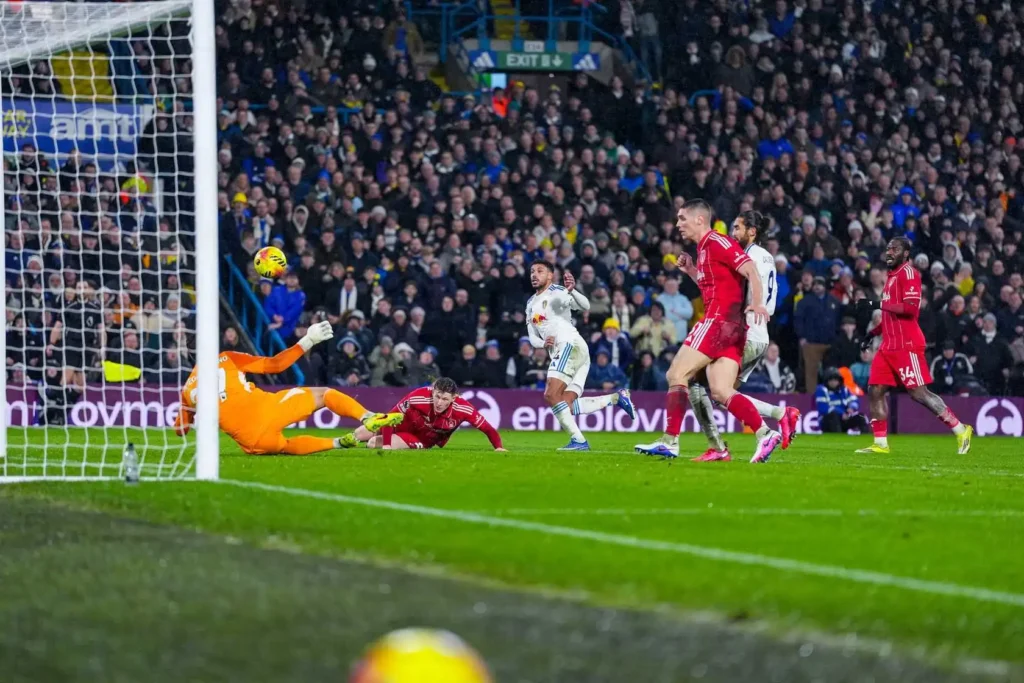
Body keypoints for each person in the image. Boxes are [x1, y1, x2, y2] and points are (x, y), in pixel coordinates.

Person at [635, 200, 782, 463]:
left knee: (676, 374)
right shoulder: (704, 249)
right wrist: (692, 270)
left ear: (700, 219)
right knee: (721, 391)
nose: (678, 224)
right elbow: (714, 287)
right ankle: (765, 433)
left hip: (718, 322)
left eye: (682, 218)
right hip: (733, 329)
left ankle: (670, 441)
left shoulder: (717, 242)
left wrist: (758, 302)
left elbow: (750, 269)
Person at [173, 321, 402, 455]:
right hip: (267, 409)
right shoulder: (227, 358)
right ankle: (367, 416)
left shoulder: (187, 390)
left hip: (252, 441)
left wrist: (193, 412)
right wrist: (308, 340)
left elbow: (180, 430)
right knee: (325, 394)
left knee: (284, 446)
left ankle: (338, 443)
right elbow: (275, 365)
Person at [686, 210, 801, 462]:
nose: (732, 233)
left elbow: (722, 291)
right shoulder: (766, 257)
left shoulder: (744, 257)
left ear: (752, 231)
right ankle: (781, 415)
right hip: (760, 334)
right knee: (724, 393)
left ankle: (753, 437)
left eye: (737, 228)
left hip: (742, 330)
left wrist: (695, 273)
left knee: (699, 384)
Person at [856, 238, 973, 454]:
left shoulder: (909, 274)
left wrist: (875, 303)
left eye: (895, 249)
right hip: (888, 345)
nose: (890, 252)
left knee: (918, 393)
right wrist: (872, 333)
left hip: (906, 344)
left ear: (906, 253)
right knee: (875, 389)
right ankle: (880, 444)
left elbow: (910, 309)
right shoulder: (891, 277)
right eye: (888, 248)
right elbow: (890, 315)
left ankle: (960, 429)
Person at [525, 261, 635, 451]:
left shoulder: (557, 291)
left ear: (550, 275)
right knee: (565, 404)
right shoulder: (530, 304)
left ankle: (578, 441)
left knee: (551, 394)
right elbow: (532, 336)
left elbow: (585, 306)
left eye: (540, 271)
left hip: (569, 345)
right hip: (575, 352)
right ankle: (617, 398)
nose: (534, 274)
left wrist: (572, 290)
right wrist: (543, 343)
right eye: (532, 271)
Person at [341, 377, 506, 452]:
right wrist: (387, 446)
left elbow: (487, 429)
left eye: (445, 399)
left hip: (419, 438)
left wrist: (499, 447)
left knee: (372, 443)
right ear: (432, 391)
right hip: (400, 423)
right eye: (437, 396)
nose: (439, 402)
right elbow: (390, 417)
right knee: (358, 434)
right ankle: (337, 444)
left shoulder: (464, 408)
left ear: (454, 398)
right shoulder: (418, 396)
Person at [815, 367, 866, 434]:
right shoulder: (821, 389)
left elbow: (854, 400)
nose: (833, 382)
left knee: (861, 417)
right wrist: (841, 413)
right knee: (833, 415)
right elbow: (823, 408)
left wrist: (851, 408)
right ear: (826, 380)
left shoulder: (844, 389)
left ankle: (866, 437)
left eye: (836, 379)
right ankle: (838, 437)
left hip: (844, 418)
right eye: (831, 379)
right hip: (827, 421)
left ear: (839, 380)